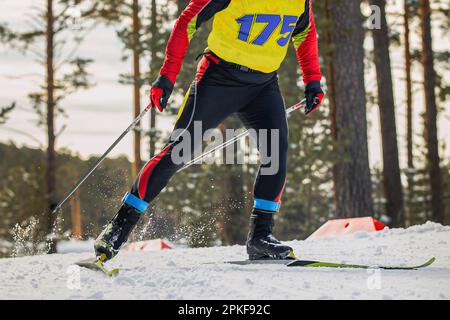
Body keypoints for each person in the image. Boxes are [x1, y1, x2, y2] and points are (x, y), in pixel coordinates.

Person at [94, 0, 324, 262]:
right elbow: (187, 21)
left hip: (263, 85)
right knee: (179, 151)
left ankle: (261, 237)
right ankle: (118, 229)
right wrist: (167, 75)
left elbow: (305, 33)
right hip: (218, 78)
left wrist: (313, 80)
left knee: (276, 152)